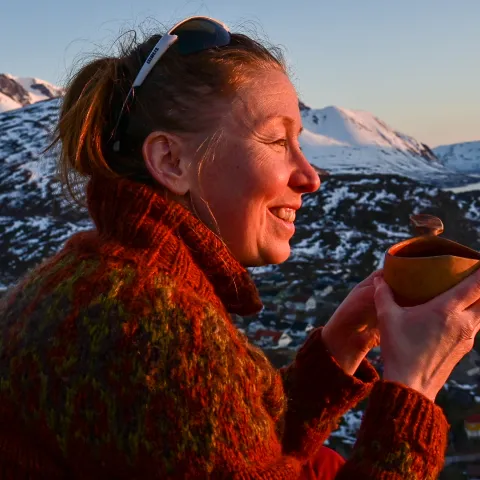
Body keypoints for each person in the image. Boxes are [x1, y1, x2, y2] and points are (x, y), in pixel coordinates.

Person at [0, 15, 479, 479]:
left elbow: (222, 449)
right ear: (171, 161)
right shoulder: (148, 325)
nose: (310, 177)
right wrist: (414, 387)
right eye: (276, 140)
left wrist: (339, 347)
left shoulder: (102, 277)